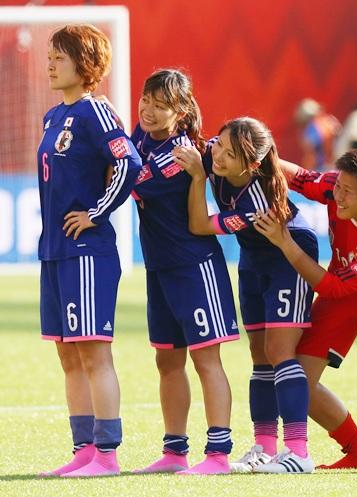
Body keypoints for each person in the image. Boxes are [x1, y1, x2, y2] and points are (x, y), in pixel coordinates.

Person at [254, 146, 357, 474]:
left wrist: (284, 241)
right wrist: (260, 157)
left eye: (347, 192)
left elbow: (331, 286)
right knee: (298, 378)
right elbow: (300, 178)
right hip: (346, 289)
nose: (338, 195)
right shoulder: (337, 186)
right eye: (338, 187)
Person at [173, 116, 318, 473]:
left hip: (289, 255)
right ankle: (264, 447)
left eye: (228, 153)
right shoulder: (216, 155)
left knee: (279, 351)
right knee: (259, 354)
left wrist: (197, 177)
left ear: (252, 165)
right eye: (218, 144)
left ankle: (298, 452)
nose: (217, 156)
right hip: (254, 259)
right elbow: (198, 146)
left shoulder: (257, 199)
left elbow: (199, 225)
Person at [122, 69, 239, 476]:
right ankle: (175, 453)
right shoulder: (141, 134)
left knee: (207, 360)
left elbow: (129, 181)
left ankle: (219, 454)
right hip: (159, 267)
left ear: (182, 110)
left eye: (160, 105)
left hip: (194, 266)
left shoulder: (181, 153)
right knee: (168, 362)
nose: (148, 111)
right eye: (145, 101)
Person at [37, 24, 142, 477]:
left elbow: (129, 162)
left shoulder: (96, 111)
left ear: (84, 64)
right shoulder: (51, 117)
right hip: (54, 250)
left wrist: (97, 212)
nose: (50, 64)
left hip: (86, 250)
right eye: (50, 56)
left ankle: (108, 455)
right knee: (68, 353)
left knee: (94, 350)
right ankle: (83, 450)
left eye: (59, 57)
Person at [294, 98, 340, 171]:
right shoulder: (329, 122)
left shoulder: (313, 126)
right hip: (333, 165)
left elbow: (310, 148)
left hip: (320, 168)